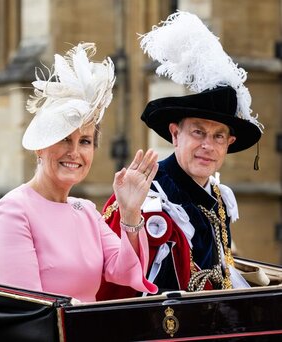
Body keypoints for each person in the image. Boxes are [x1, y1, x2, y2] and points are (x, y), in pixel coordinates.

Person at [96, 11, 264, 300]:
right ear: (175, 135)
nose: (208, 146)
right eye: (198, 132)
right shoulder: (145, 191)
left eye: (218, 136)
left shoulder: (218, 197)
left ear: (228, 143)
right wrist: (130, 215)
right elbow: (116, 289)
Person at [0, 42, 159, 302]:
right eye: (64, 139)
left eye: (85, 141)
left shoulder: (86, 211)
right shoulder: (13, 210)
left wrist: (131, 211)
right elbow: (29, 308)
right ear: (40, 148)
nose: (74, 152)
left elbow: (123, 272)